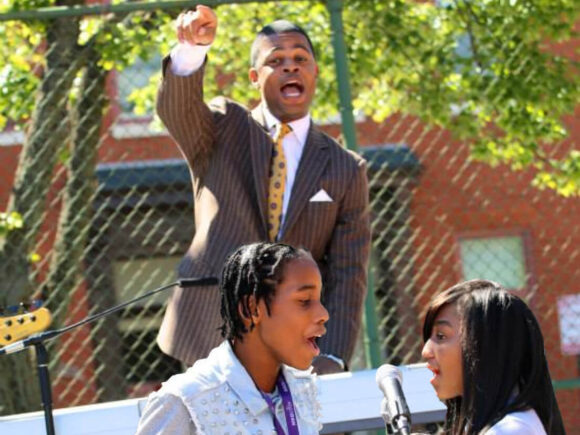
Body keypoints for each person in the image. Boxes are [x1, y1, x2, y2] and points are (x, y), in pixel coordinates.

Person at [156, 4, 370, 373]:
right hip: (209, 333)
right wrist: (191, 49)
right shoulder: (223, 129)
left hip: (291, 345)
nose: (290, 66)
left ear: (315, 72)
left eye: (301, 58)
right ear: (255, 76)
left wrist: (331, 355)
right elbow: (178, 110)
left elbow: (347, 274)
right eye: (276, 60)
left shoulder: (346, 168)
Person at [136, 242, 329, 434]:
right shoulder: (183, 401)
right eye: (304, 301)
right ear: (251, 308)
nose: (323, 314)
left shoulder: (303, 392)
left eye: (319, 300)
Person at [421, 279, 565, 434]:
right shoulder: (493, 423)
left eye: (441, 336)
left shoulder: (510, 430)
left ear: (485, 346)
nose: (426, 352)